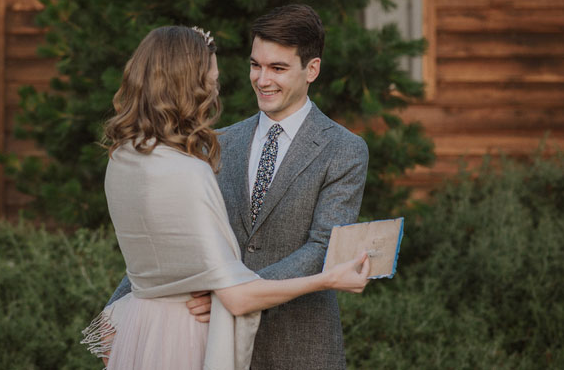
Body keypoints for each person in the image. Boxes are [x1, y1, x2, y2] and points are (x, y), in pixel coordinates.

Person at [82, 25, 370, 370]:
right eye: (255, 65)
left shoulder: (344, 148)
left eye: (277, 68)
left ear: (312, 69)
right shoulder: (207, 146)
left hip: (298, 344)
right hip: (205, 342)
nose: (262, 80)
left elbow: (324, 245)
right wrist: (118, 316)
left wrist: (224, 294)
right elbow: (167, 241)